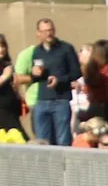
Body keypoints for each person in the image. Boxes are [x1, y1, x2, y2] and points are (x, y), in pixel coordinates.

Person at [28, 17, 80, 146]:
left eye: (51, 30)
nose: (48, 34)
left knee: (63, 141)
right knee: (42, 142)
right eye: (44, 31)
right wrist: (34, 73)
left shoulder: (66, 48)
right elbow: (36, 78)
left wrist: (59, 80)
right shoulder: (37, 51)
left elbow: (76, 72)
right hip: (41, 101)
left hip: (60, 101)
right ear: (38, 33)